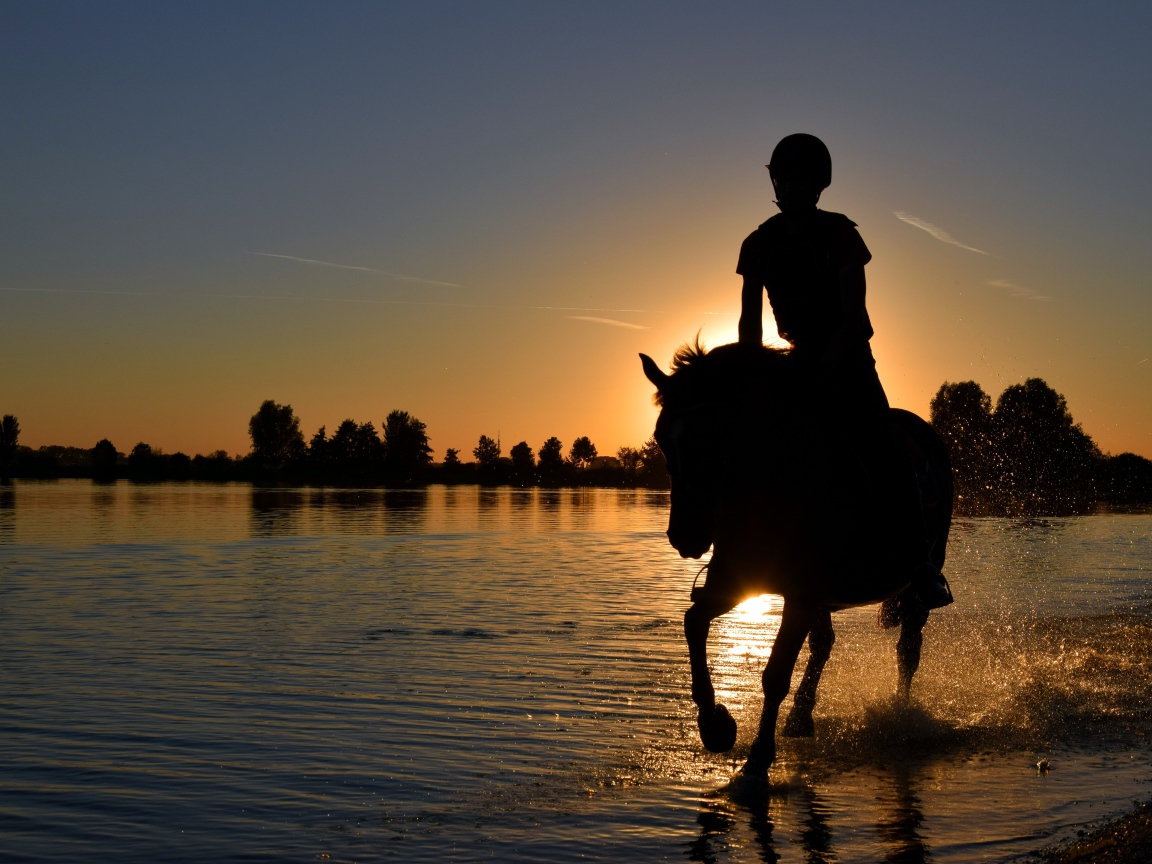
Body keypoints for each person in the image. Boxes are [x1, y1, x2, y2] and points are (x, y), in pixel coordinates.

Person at [736, 133, 952, 609]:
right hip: (793, 364)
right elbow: (749, 322)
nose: (789, 187)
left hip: (848, 362)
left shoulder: (840, 236)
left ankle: (920, 564)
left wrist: (823, 371)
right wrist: (751, 374)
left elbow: (855, 320)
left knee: (879, 446)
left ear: (818, 185)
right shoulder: (758, 244)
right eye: (783, 178)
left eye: (800, 179)